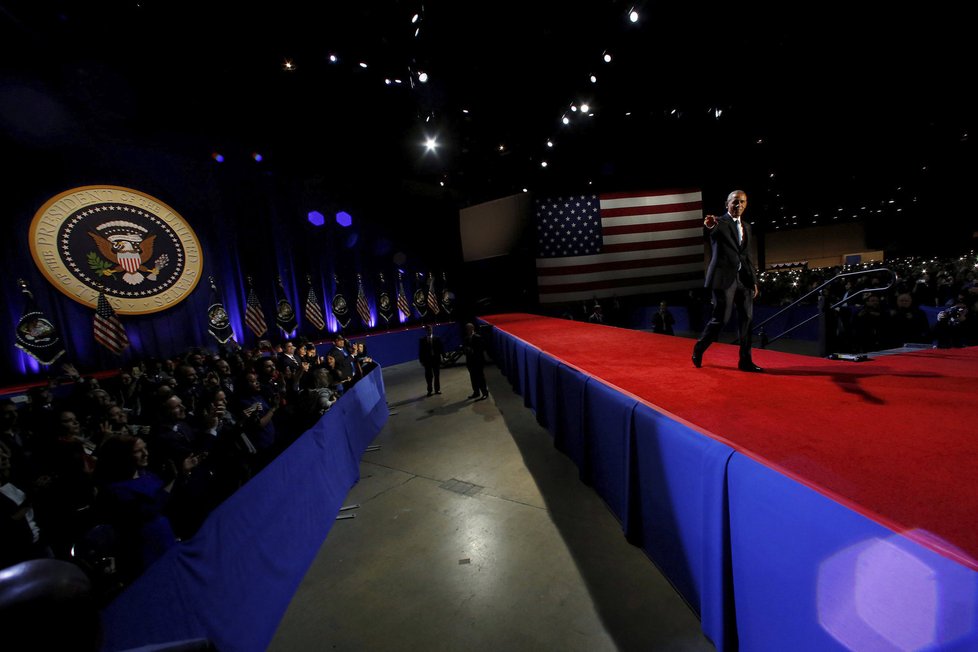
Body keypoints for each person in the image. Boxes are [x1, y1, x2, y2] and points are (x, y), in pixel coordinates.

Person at [691, 190, 762, 372]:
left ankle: (745, 361)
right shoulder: (719, 222)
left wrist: (753, 280)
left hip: (744, 279)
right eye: (735, 202)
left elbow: (747, 256)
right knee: (721, 319)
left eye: (743, 202)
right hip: (723, 279)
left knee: (747, 319)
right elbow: (712, 230)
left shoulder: (747, 227)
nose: (739, 205)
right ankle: (699, 348)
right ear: (727, 204)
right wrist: (709, 225)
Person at [462, 323, 488, 399]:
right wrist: (465, 350)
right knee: (473, 378)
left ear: (472, 328)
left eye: (468, 328)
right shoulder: (466, 338)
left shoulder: (477, 337)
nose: (467, 330)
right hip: (470, 362)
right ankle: (476, 392)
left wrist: (473, 350)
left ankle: (484, 393)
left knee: (480, 377)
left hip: (478, 361)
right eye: (466, 329)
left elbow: (481, 348)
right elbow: (464, 349)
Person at [418, 325, 444, 396]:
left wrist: (442, 357)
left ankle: (437, 389)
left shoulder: (437, 338)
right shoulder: (422, 340)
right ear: (426, 331)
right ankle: (429, 390)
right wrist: (421, 360)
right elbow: (421, 351)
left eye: (430, 329)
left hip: (435, 359)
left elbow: (440, 349)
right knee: (428, 376)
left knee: (436, 375)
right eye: (428, 330)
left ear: (432, 330)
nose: (429, 331)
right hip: (427, 361)